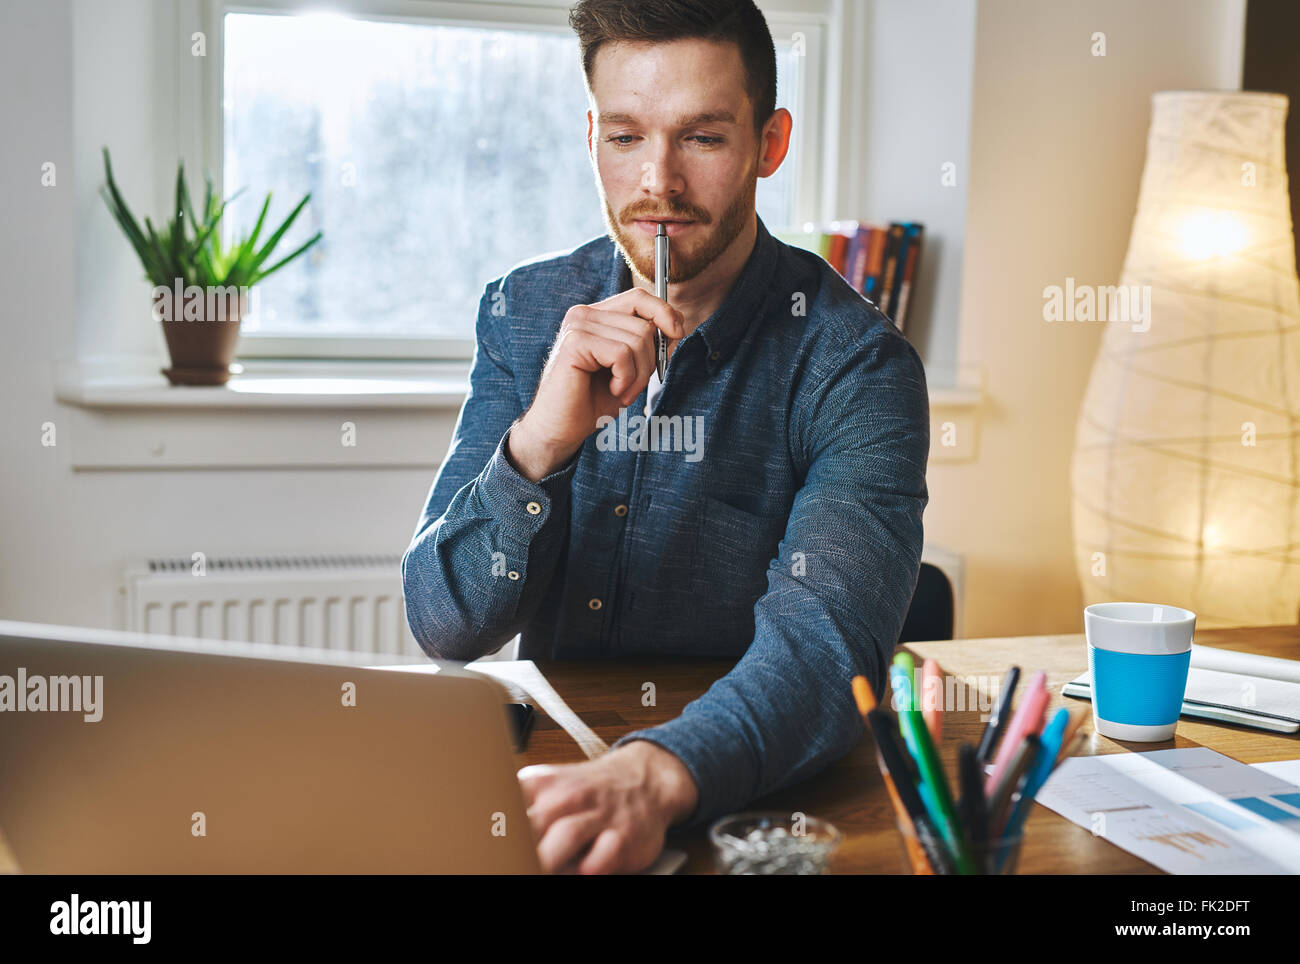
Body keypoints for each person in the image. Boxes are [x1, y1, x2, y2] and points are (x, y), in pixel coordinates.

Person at [402, 0, 929, 873]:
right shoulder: (523, 312)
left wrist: (652, 777)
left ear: (770, 143)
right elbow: (443, 623)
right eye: (625, 137)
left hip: (755, 807)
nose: (659, 184)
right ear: (591, 139)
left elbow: (828, 646)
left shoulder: (858, 364)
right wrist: (540, 443)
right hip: (550, 786)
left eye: (704, 138)